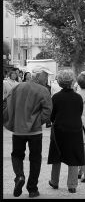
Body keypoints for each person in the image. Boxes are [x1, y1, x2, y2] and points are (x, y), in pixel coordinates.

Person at [4, 66, 52, 198]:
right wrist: (38, 122)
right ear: (39, 76)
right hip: (35, 131)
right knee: (35, 159)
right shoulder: (43, 90)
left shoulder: (17, 87)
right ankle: (32, 188)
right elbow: (47, 111)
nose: (47, 78)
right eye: (45, 76)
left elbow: (8, 104)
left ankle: (19, 176)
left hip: (18, 130)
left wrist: (13, 121)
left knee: (17, 155)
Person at [47, 70, 85, 194]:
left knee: (56, 155)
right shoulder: (78, 97)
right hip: (75, 129)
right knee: (73, 156)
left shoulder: (56, 97)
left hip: (59, 129)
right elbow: (80, 112)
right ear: (72, 81)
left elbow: (52, 116)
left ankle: (54, 181)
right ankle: (72, 185)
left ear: (60, 82)